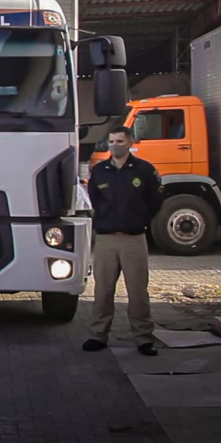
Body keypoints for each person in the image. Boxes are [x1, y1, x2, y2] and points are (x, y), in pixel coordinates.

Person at [83, 126, 163, 357]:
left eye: (119, 141)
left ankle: (144, 339)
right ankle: (98, 335)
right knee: (103, 292)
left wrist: (139, 220)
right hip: (107, 240)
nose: (114, 145)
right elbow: (95, 200)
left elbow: (155, 201)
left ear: (130, 142)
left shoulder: (144, 170)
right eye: (111, 141)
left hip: (134, 240)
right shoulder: (99, 171)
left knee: (138, 292)